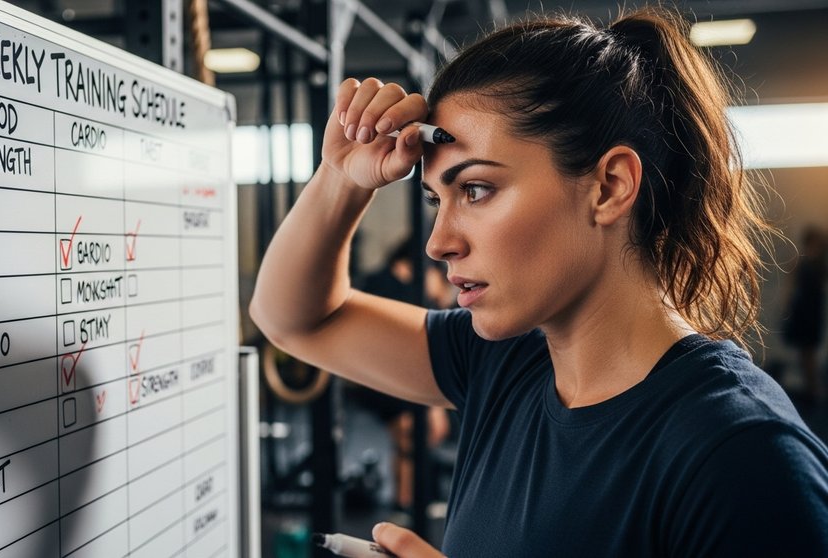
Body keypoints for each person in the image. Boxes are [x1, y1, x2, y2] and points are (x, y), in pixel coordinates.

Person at [250, 6, 828, 557]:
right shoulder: (505, 362)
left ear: (608, 187)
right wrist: (341, 179)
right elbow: (297, 320)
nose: (438, 241)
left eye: (475, 190)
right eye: (436, 198)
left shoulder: (742, 455)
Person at [357, 240, 452, 514]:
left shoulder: (394, 280)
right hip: (389, 375)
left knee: (412, 438)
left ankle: (405, 500)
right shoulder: (387, 283)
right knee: (413, 434)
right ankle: (407, 501)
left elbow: (442, 310)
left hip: (389, 373)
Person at [783, 226, 827, 403]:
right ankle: (811, 387)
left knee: (809, 350)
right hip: (802, 311)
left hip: (813, 311)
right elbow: (790, 285)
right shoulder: (800, 262)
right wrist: (787, 308)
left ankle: (812, 386)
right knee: (804, 349)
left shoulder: (821, 265)